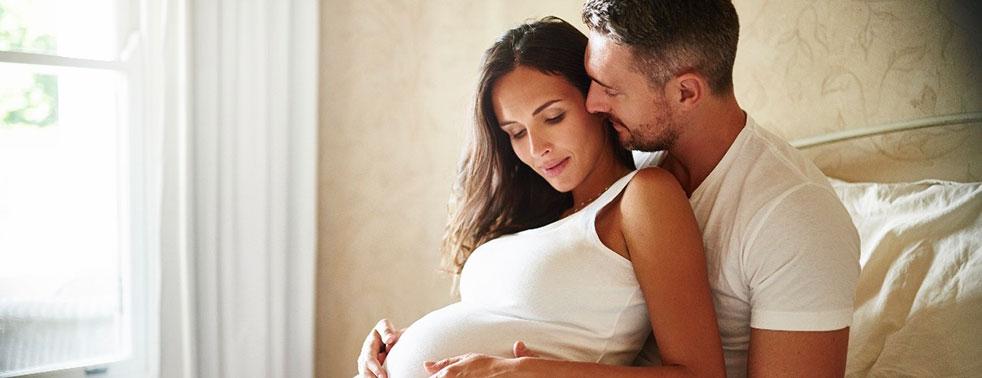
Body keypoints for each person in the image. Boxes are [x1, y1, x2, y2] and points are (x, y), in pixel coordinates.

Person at [361, 1, 862, 377]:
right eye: (515, 132)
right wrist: (410, 350)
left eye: (608, 90)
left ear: (686, 92)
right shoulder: (625, 155)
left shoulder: (793, 216)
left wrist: (533, 371)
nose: (594, 102)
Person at [357, 16, 725, 378]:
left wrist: (534, 371)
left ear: (595, 102)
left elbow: (700, 373)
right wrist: (399, 347)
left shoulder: (641, 198)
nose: (537, 149)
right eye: (516, 132)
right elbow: (501, 325)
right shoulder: (541, 210)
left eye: (552, 117)